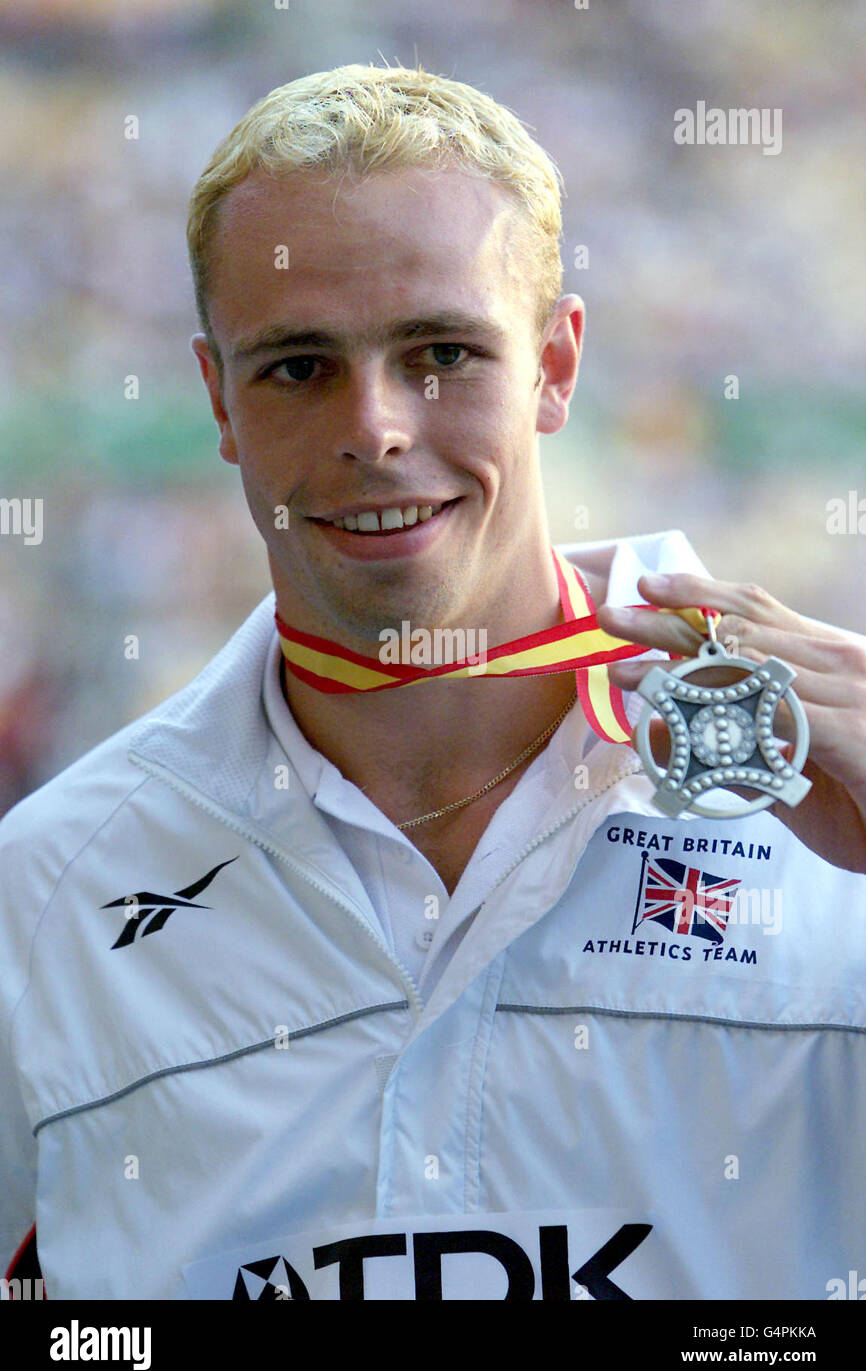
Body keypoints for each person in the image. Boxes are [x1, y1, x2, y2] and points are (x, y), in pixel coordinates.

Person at [1, 64, 865, 1302]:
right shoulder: (46, 889)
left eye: (443, 351)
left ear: (555, 366)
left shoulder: (829, 795)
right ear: (217, 401)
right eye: (297, 366)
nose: (376, 428)